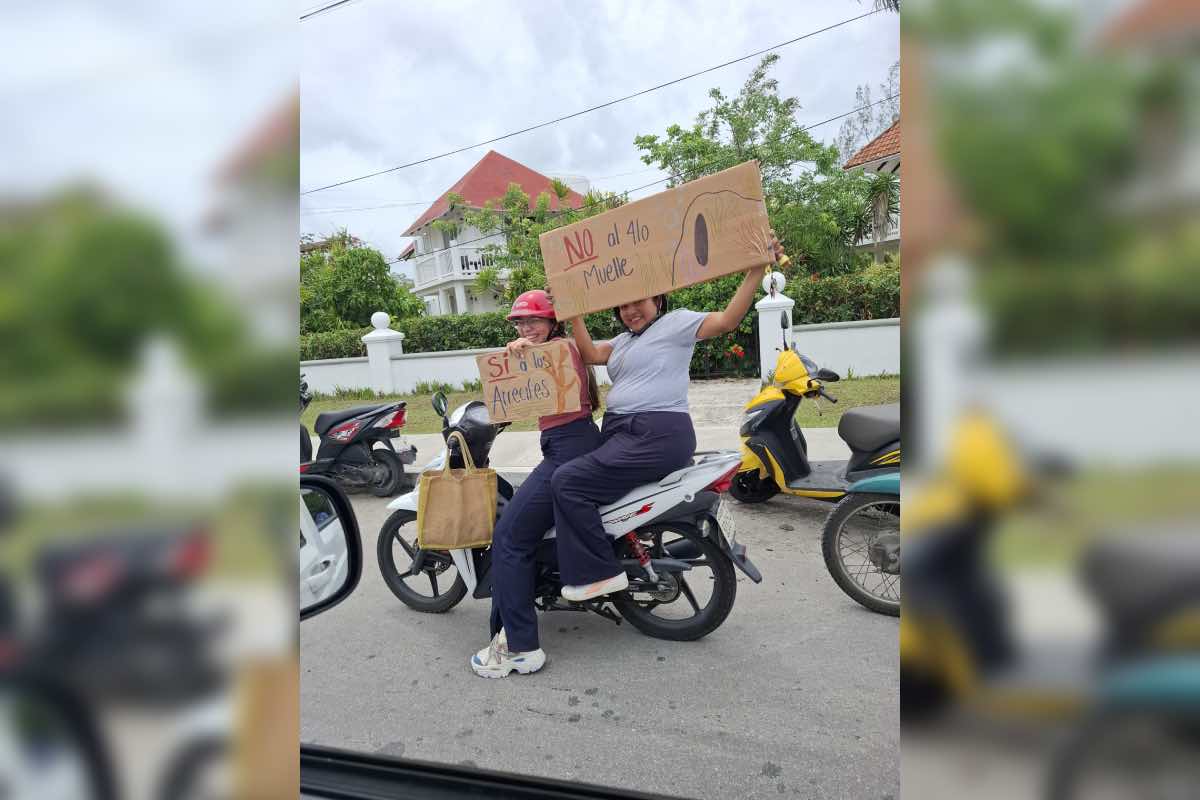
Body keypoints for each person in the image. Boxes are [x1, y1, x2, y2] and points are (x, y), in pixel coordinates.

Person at [553, 233, 785, 602]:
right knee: (573, 479)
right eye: (623, 306)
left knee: (567, 482)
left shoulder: (676, 323)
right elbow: (590, 355)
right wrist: (573, 312)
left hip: (655, 434)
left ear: (657, 300)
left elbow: (726, 321)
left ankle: (600, 573)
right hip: (623, 436)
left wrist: (756, 269)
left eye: (639, 302)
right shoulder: (622, 342)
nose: (631, 311)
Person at [471, 289, 601, 678]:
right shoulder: (552, 353)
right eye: (520, 322)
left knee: (508, 537)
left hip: (567, 449)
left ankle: (521, 647)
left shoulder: (563, 350)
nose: (526, 328)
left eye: (534, 320)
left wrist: (527, 351)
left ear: (552, 322)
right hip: (569, 444)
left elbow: (549, 358)